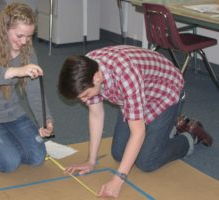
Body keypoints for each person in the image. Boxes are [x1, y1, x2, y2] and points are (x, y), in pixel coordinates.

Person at [58, 45, 213, 198]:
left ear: (97, 78)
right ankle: (167, 128)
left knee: (146, 161)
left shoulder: (125, 75)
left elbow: (138, 133)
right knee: (119, 153)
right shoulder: (88, 67)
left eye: (85, 95)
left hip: (165, 94)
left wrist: (118, 180)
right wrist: (91, 160)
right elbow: (96, 114)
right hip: (135, 96)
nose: (84, 100)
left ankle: (190, 136)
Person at [0, 3, 54, 173]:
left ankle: (3, 143)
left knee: (37, 157)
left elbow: (35, 91)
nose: (24, 41)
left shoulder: (27, 49)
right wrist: (15, 71)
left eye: (29, 36)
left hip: (12, 114)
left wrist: (46, 120)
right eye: (19, 35)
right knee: (10, 163)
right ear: (5, 27)